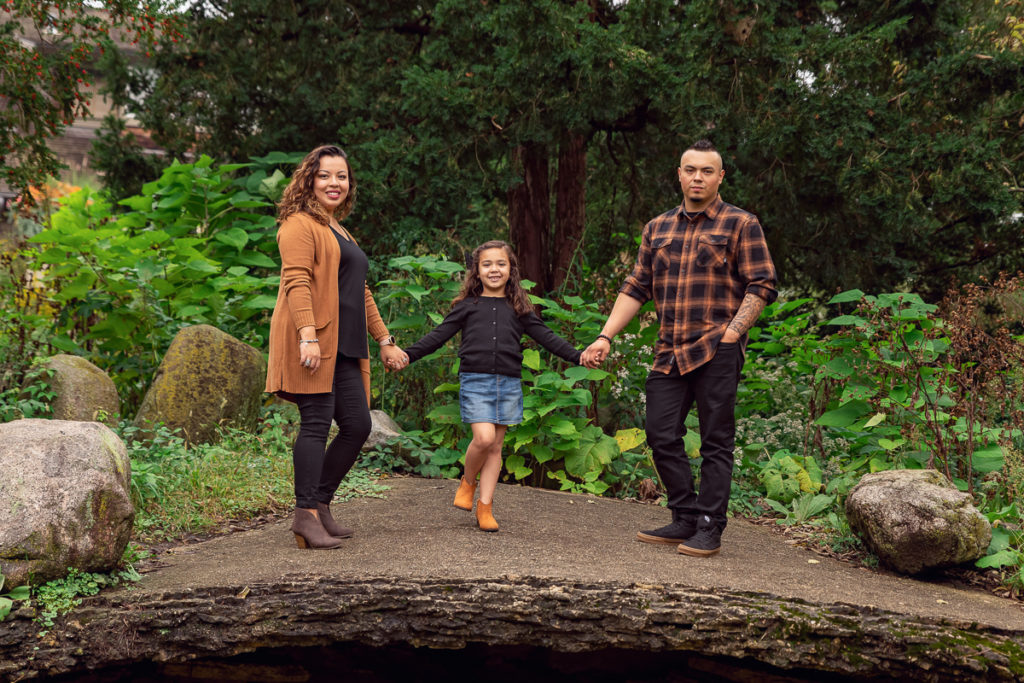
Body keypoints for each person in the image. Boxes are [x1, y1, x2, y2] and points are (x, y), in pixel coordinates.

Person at [581, 140, 777, 557]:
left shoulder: (741, 224)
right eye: (690, 170)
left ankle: (709, 526)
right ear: (679, 173)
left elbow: (762, 284)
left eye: (707, 171)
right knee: (660, 433)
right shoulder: (658, 228)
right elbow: (637, 287)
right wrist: (605, 335)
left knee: (715, 441)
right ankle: (684, 516)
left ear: (720, 177)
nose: (698, 178)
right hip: (669, 350)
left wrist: (732, 334)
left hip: (716, 349)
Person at [265, 144, 408, 550]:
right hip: (313, 339)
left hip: (345, 345)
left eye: (341, 176)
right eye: (325, 175)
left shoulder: (339, 229)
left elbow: (359, 291)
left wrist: (384, 339)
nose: (334, 183)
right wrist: (307, 334)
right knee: (315, 423)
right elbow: (297, 281)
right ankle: (304, 515)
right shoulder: (298, 224)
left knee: (358, 425)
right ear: (309, 179)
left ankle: (320, 504)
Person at [393, 240, 581, 532]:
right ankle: (468, 482)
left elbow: (547, 337)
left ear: (511, 269)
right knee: (482, 439)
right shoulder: (467, 306)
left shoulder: (519, 308)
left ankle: (485, 507)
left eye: (501, 264)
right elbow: (439, 335)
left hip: (508, 383)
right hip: (476, 381)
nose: (494, 269)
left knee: (495, 447)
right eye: (487, 264)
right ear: (477, 271)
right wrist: (408, 355)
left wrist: (579, 356)